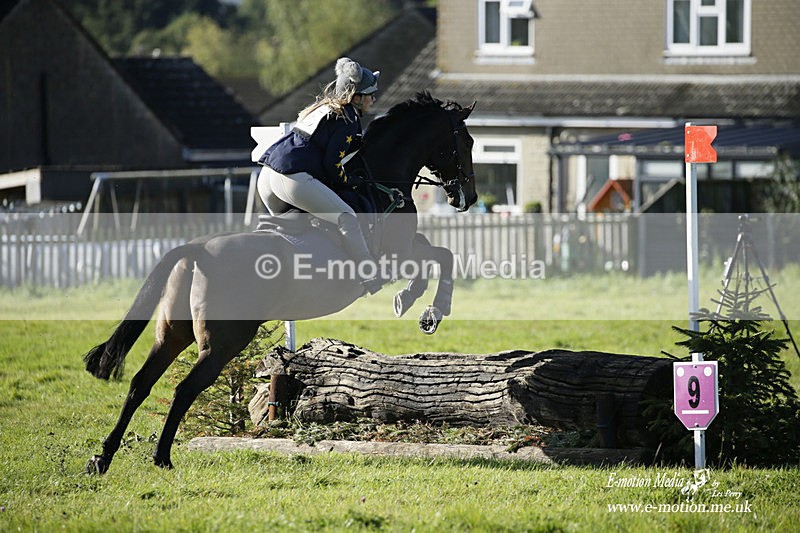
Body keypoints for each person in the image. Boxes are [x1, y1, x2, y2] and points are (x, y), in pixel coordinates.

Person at [256, 57, 381, 294]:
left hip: (267, 178)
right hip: (292, 179)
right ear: (355, 97)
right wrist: (349, 182)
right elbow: (332, 164)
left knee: (292, 234)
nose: (373, 100)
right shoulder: (348, 118)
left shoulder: (322, 107)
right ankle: (369, 275)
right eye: (370, 95)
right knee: (347, 217)